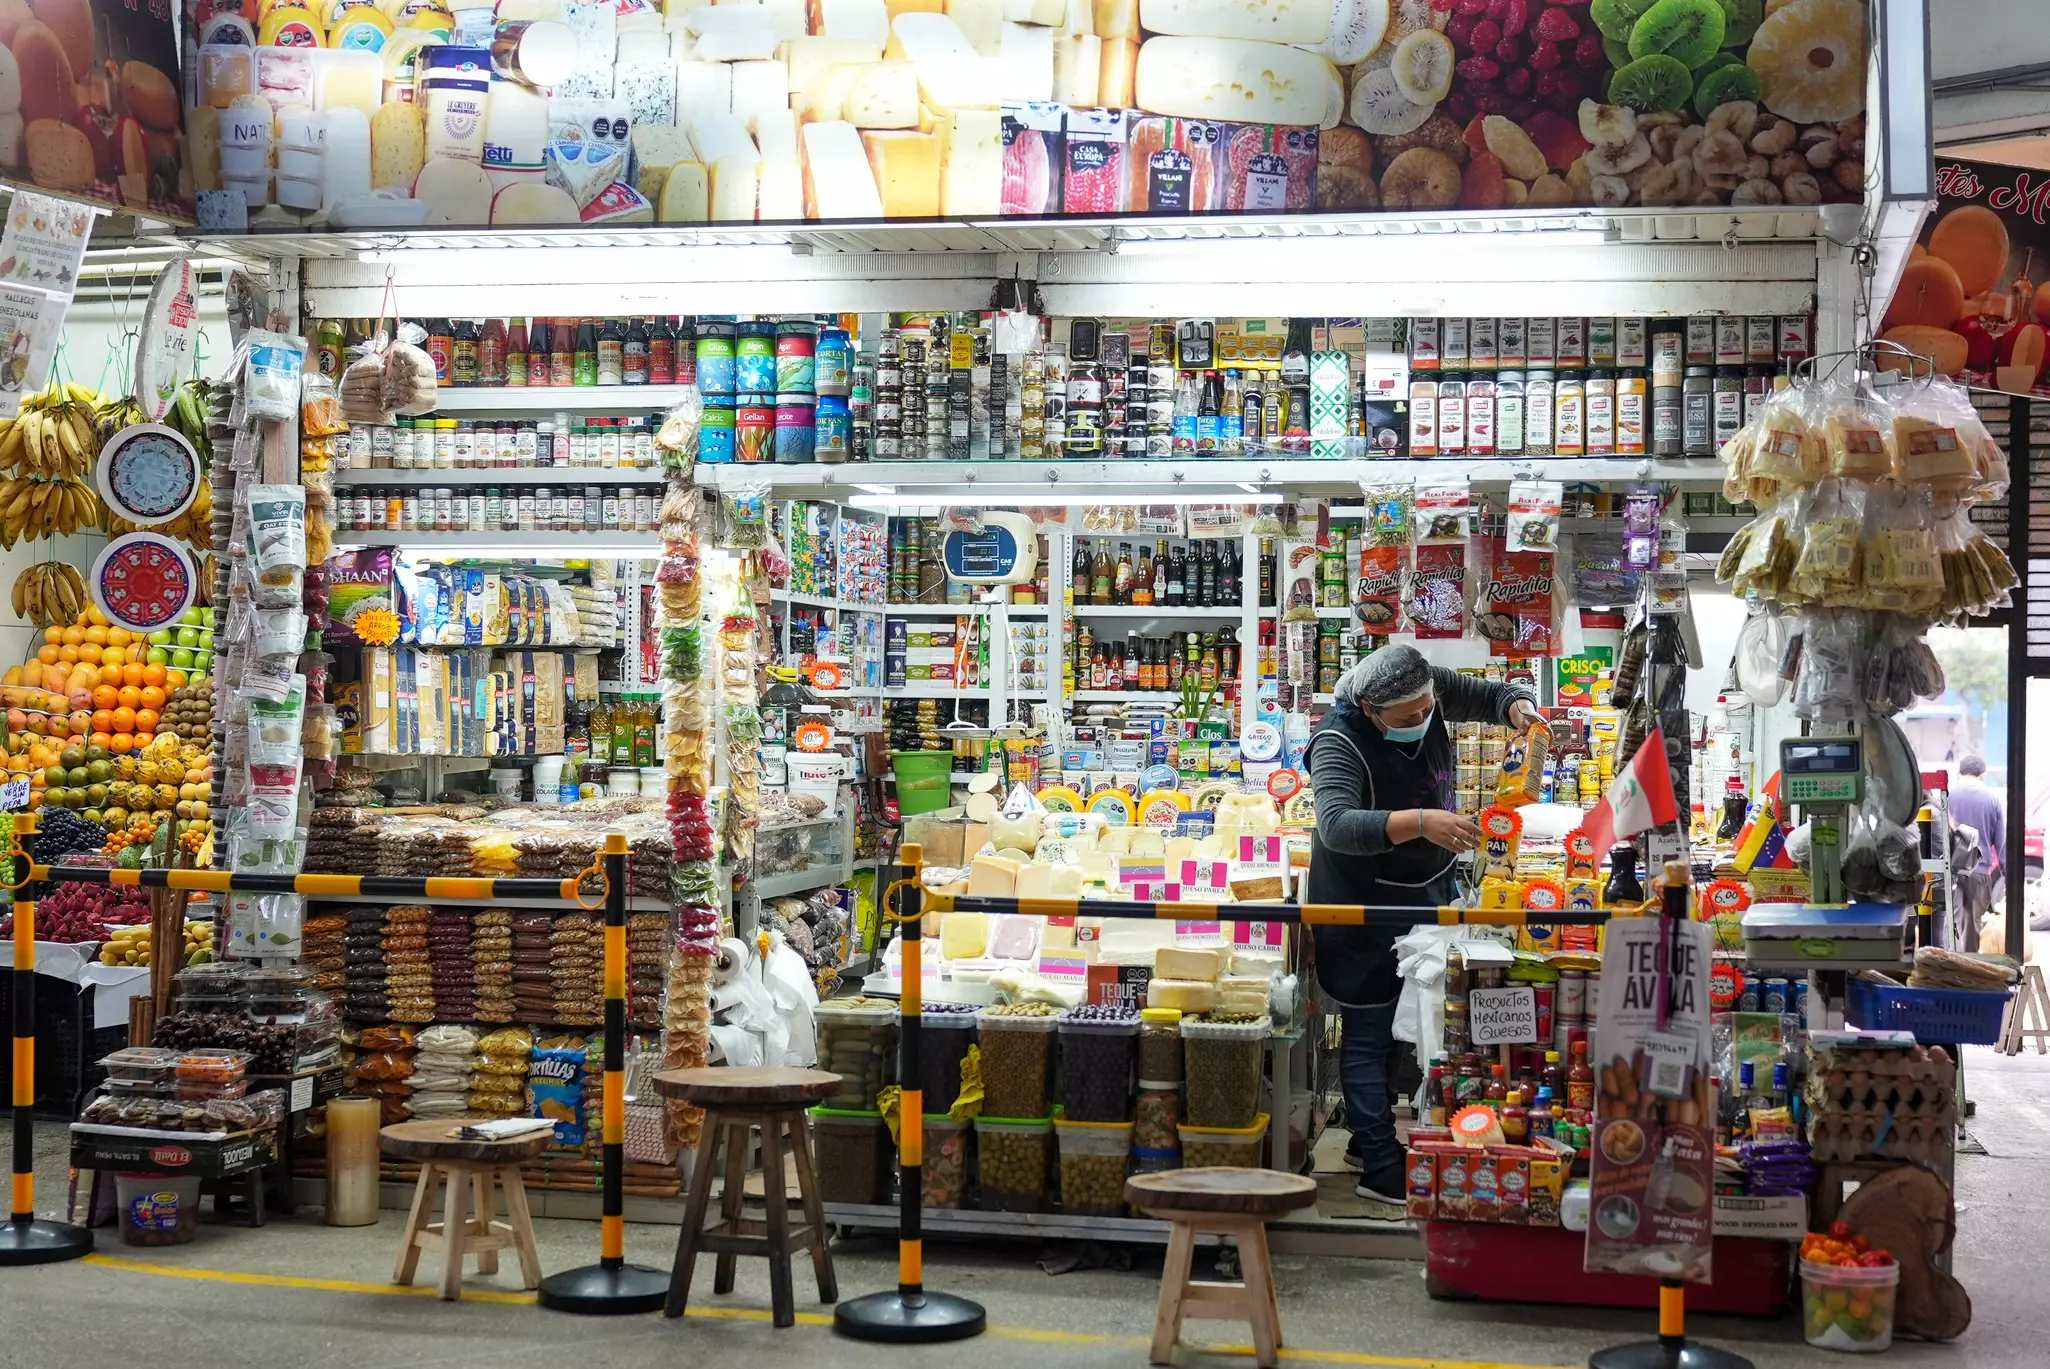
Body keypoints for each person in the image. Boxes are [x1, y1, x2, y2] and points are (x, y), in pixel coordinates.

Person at [1307, 643, 1539, 1214]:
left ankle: (1368, 1141)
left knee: (1406, 1025)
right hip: (1360, 904)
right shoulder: (1337, 743)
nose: (1422, 719)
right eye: (1407, 717)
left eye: (1427, 708)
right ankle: (1383, 1169)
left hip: (1424, 890)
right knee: (1367, 1032)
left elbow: (1486, 696)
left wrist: (1517, 708)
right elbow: (1336, 825)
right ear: (1369, 708)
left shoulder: (1423, 688)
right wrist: (1420, 822)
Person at [1949, 755, 2005, 951]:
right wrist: (2006, 873)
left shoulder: (1947, 795)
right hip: (1980, 872)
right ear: (1982, 775)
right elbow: (2001, 841)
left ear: (1960, 772)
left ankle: (1950, 962)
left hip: (1951, 870)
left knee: (1951, 920)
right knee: (1973, 924)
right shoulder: (1992, 799)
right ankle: (1970, 966)